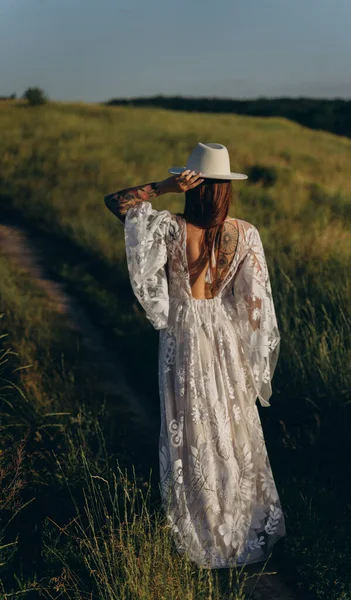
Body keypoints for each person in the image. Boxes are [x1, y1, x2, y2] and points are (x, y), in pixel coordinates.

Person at [104, 142, 286, 569]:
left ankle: (205, 523)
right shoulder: (245, 233)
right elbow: (258, 305)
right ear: (226, 189)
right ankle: (240, 522)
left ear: (193, 185)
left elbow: (118, 203)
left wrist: (164, 186)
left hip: (183, 336)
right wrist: (250, 356)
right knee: (233, 426)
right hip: (225, 338)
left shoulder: (169, 228)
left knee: (192, 429)